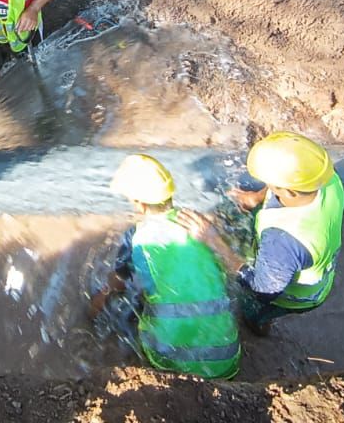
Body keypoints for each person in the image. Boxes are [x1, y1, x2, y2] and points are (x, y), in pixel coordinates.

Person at [89, 154, 241, 379]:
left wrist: (98, 300)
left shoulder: (136, 236)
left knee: (137, 304)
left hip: (172, 361)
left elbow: (118, 282)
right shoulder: (199, 224)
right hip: (226, 358)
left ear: (138, 203)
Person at [178, 132, 344, 335]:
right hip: (315, 269)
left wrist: (212, 239)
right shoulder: (327, 181)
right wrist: (255, 198)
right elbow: (287, 187)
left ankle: (258, 324)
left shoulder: (283, 240)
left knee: (256, 309)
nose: (267, 184)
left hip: (295, 296)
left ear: (289, 191)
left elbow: (262, 289)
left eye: (270, 183)